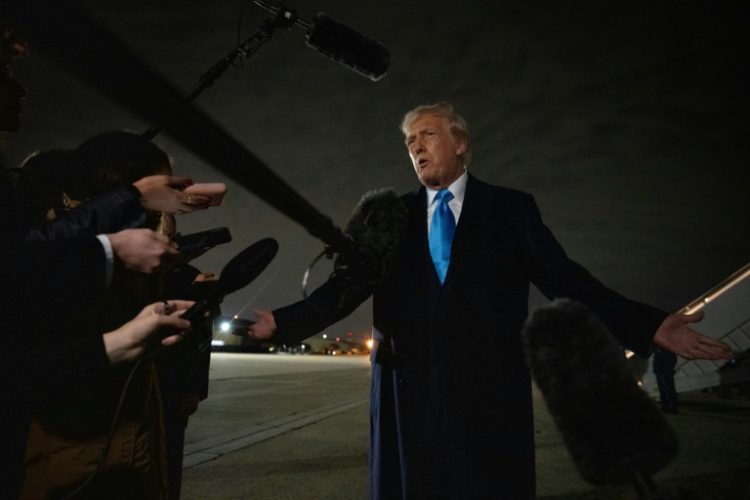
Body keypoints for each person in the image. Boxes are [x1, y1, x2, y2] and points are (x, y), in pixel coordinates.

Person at [248, 102, 732, 499]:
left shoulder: (510, 209)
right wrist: (284, 323)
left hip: (489, 395)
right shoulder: (388, 217)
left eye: (428, 134)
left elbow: (567, 279)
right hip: (409, 396)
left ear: (460, 144)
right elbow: (345, 289)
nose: (416, 146)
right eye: (409, 141)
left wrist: (648, 325)